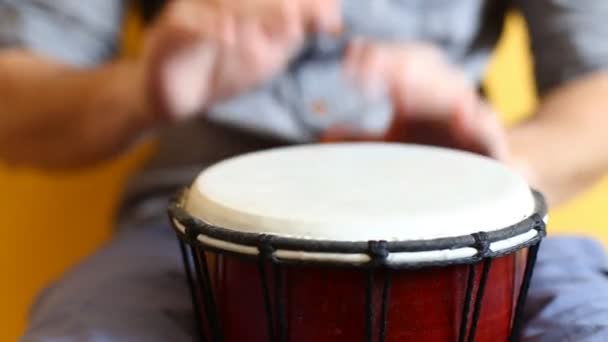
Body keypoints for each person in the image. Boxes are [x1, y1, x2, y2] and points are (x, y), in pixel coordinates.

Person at [1, 0, 607, 341]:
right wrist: (142, 92)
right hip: (186, 235)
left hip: (476, 233)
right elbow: (13, 101)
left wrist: (495, 160)